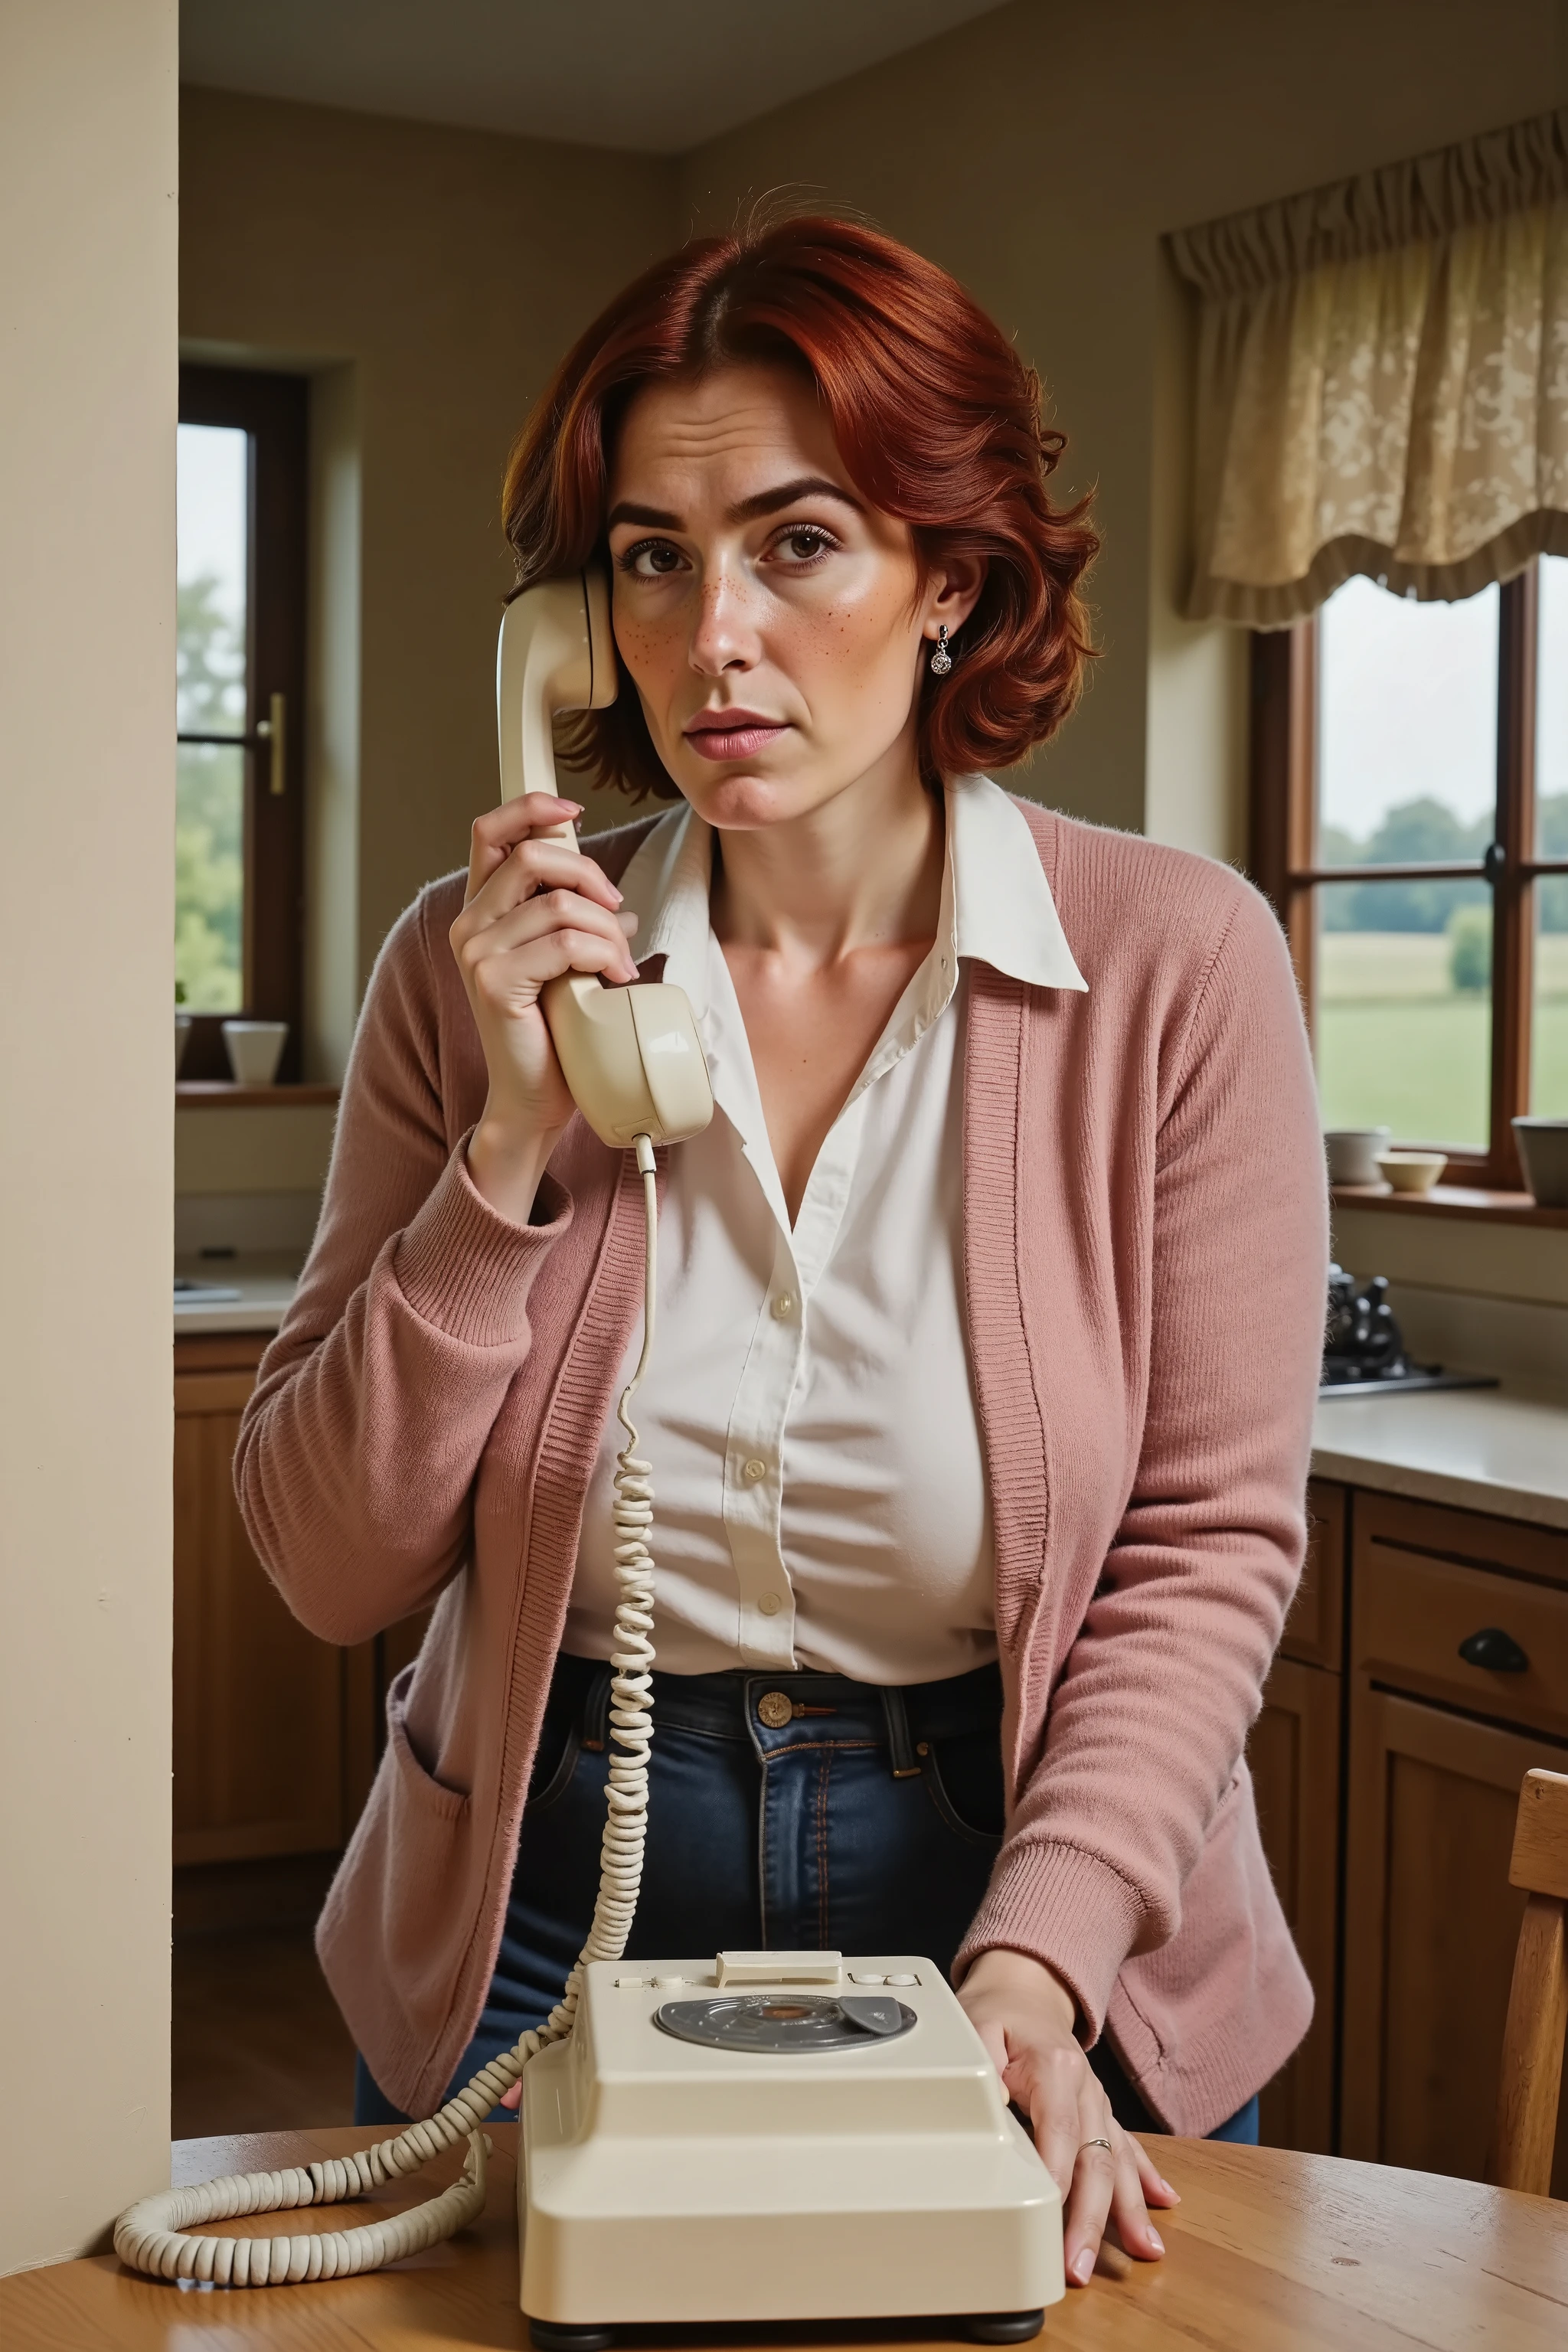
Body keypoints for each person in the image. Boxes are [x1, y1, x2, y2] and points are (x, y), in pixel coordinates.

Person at [237, 215, 1326, 2289]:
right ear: (582, 619)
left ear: (955, 579)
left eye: (798, 541)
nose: (714, 631)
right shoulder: (461, 980)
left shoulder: (1177, 969)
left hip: (1029, 1881)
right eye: (653, 555)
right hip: (542, 1897)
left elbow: (1203, 1552)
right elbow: (324, 1562)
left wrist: (1044, 1958)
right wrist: (508, 1146)